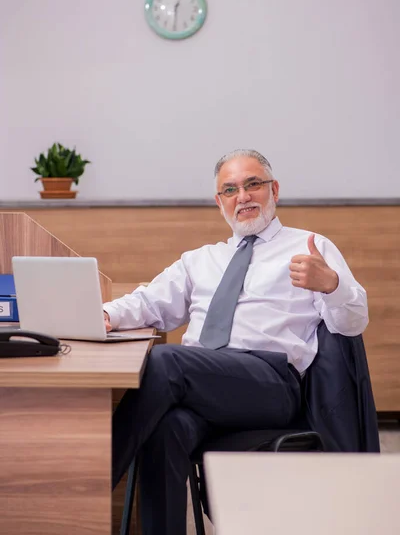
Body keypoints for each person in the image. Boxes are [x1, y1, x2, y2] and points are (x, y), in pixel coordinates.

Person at [103, 149, 368, 535]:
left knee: (165, 363)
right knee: (165, 427)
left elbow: (353, 322)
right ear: (219, 202)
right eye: (230, 189)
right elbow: (149, 302)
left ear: (274, 190)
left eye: (252, 184)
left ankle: (91, 482)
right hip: (202, 387)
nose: (242, 196)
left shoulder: (310, 247)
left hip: (272, 385)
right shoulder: (201, 260)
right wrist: (106, 315)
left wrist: (332, 285)